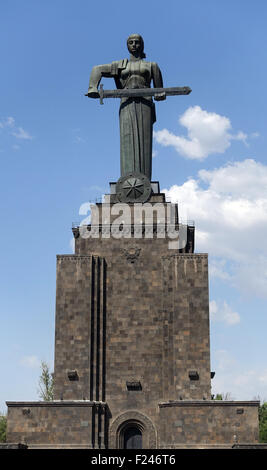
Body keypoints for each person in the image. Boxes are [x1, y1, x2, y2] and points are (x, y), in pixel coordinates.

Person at [87, 34, 165, 181]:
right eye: (131, 42)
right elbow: (97, 69)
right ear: (127, 46)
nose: (134, 44)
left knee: (144, 141)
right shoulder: (121, 64)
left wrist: (160, 94)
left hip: (145, 104)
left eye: (137, 42)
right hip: (126, 103)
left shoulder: (151, 66)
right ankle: (128, 179)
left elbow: (159, 90)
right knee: (127, 139)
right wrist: (92, 87)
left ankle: (144, 180)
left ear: (142, 45)